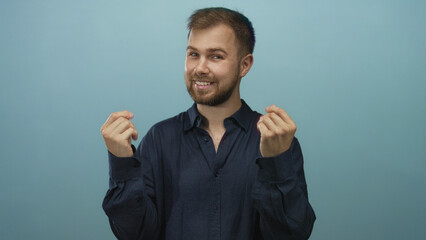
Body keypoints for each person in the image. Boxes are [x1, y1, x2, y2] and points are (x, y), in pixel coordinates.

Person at [101, 7, 316, 240]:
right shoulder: (159, 139)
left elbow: (292, 234)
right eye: (193, 54)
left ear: (245, 65)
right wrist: (122, 163)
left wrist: (275, 162)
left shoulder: (278, 143)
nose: (200, 68)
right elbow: (134, 234)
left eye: (216, 56)